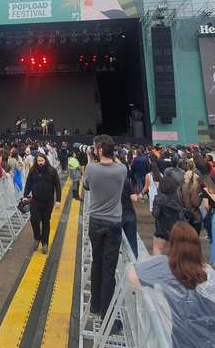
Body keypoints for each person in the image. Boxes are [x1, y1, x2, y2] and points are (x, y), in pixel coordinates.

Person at [127, 222, 215, 347]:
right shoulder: (210, 273)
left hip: (183, 341)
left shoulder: (163, 267)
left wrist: (157, 249)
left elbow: (131, 276)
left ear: (173, 244)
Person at [83, 135, 126, 330]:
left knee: (97, 263)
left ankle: (95, 305)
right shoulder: (121, 170)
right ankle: (108, 314)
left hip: (96, 222)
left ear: (99, 150)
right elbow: (116, 163)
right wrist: (108, 155)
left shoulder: (91, 168)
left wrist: (92, 159)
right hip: (114, 224)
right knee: (109, 270)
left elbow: (86, 186)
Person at [23, 153, 61, 255]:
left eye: (42, 161)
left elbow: (58, 186)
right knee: (34, 219)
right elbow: (28, 184)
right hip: (35, 201)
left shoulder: (52, 171)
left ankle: (45, 243)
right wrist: (25, 196)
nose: (40, 163)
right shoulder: (33, 171)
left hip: (48, 202)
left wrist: (58, 200)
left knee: (46, 222)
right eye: (38, 161)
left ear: (45, 160)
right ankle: (37, 237)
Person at [152, 175, 183, 255]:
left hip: (161, 228)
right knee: (175, 250)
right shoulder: (178, 198)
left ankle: (158, 266)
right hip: (176, 228)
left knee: (157, 248)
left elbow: (155, 214)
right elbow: (181, 214)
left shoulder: (158, 199)